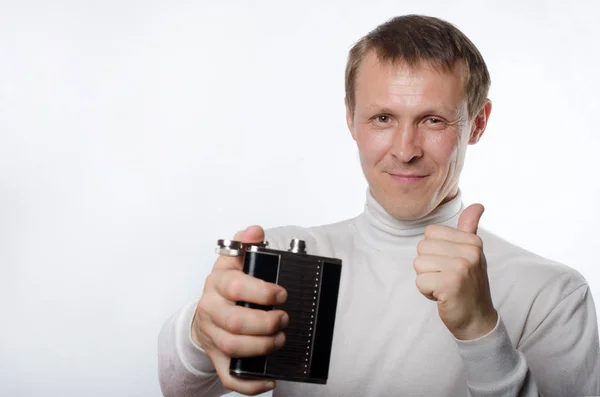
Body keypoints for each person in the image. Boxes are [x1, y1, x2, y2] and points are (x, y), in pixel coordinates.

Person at [157, 14, 600, 397]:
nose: (405, 150)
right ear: (351, 117)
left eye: (432, 120)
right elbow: (181, 389)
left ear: (478, 124)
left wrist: (481, 331)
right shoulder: (284, 259)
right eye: (383, 118)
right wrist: (200, 331)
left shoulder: (552, 295)